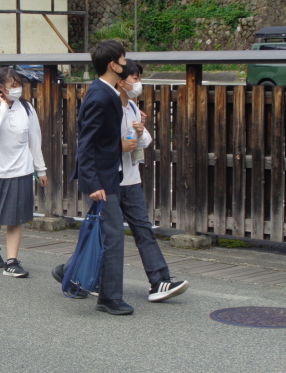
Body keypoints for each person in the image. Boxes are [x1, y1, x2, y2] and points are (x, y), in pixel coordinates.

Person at [53, 40, 133, 315]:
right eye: (123, 60)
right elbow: (85, 143)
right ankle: (109, 298)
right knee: (112, 236)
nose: (126, 64)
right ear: (113, 65)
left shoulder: (104, 91)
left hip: (106, 173)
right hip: (101, 177)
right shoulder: (100, 95)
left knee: (104, 233)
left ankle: (69, 270)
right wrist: (94, 182)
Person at [116, 59, 189, 301]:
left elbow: (146, 141)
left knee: (144, 230)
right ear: (120, 81)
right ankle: (73, 271)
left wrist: (139, 131)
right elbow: (94, 144)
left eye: (138, 77)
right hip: (110, 181)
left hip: (132, 180)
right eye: (134, 78)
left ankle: (159, 282)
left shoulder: (134, 108)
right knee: (104, 234)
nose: (138, 83)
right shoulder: (107, 108)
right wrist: (120, 145)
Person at [0, 67, 48, 278]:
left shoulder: (28, 109)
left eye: (19, 85)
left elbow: (35, 140)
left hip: (20, 169)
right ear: (1, 88)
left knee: (15, 218)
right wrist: (4, 107)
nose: (17, 90)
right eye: (13, 86)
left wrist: (40, 169)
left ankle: (12, 261)